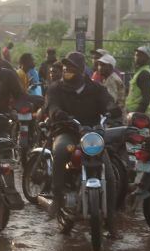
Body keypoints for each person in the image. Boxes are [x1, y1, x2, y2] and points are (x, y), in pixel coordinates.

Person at [45, 52, 113, 217]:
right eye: (66, 66)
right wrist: (58, 113)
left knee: (109, 172)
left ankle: (111, 217)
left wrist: (112, 108)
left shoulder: (96, 88)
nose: (67, 69)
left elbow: (108, 101)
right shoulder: (55, 88)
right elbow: (52, 106)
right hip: (67, 132)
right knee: (61, 151)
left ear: (81, 69)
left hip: (91, 135)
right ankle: (57, 197)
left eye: (71, 66)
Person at [125, 46, 150, 115]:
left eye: (140, 55)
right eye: (136, 55)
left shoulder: (144, 74)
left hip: (139, 115)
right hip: (132, 112)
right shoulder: (139, 72)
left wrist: (137, 115)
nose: (137, 57)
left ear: (147, 58)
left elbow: (146, 98)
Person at [96, 54, 125, 118]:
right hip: (117, 115)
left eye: (103, 65)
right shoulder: (109, 78)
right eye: (99, 65)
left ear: (111, 67)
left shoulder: (111, 80)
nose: (99, 67)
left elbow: (110, 102)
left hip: (115, 118)